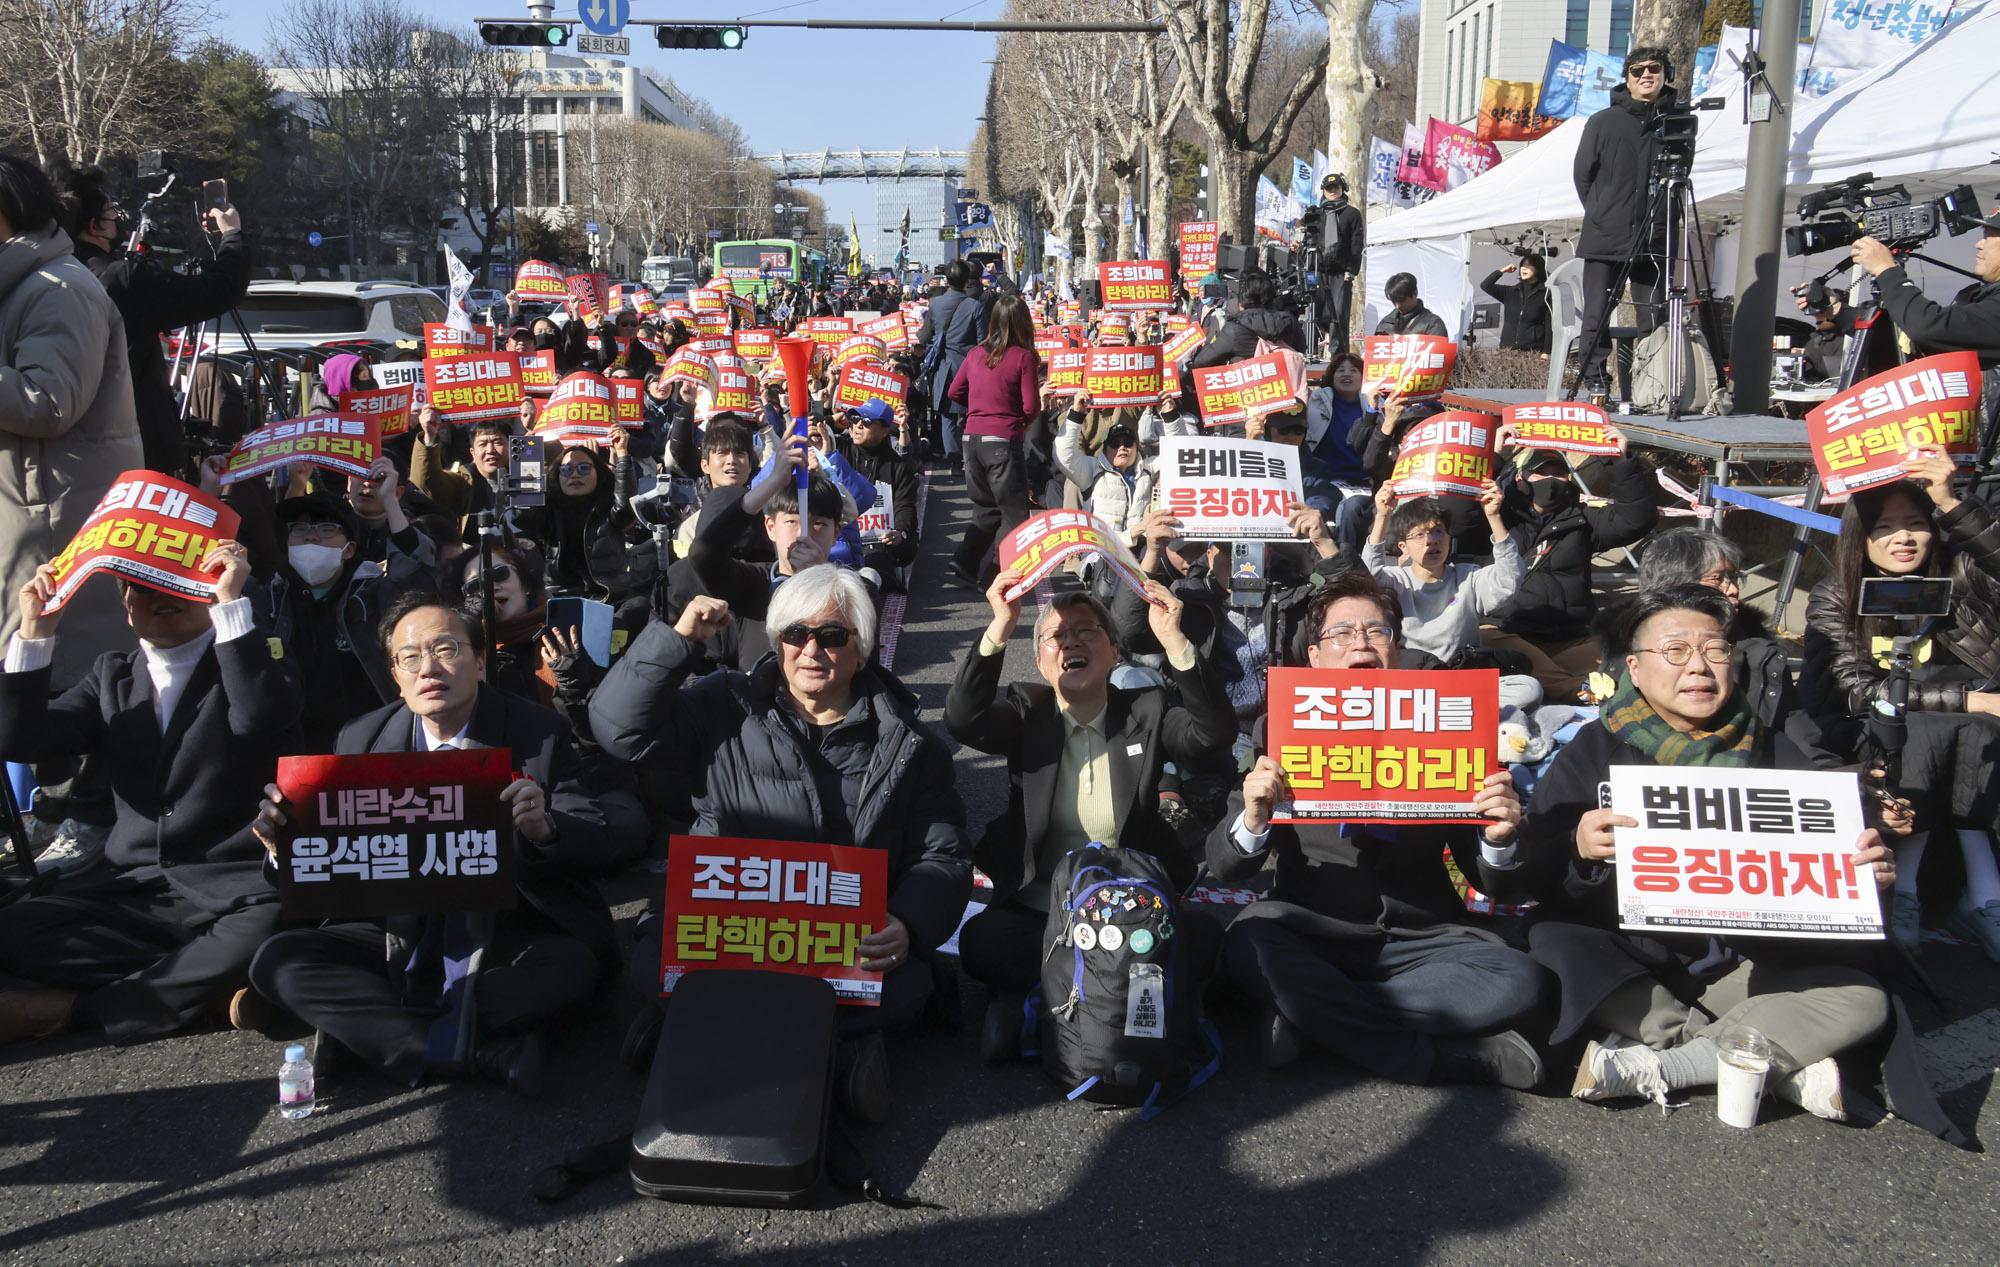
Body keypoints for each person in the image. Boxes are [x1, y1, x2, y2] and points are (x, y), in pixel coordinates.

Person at [1507, 586, 1905, 1126]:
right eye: (1675, 651)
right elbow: (1534, 872)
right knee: (1551, 942)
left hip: (1738, 961)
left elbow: (1820, 883)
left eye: (1715, 650)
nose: (1698, 666)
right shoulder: (1597, 747)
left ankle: (1668, 1065)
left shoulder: (1774, 751)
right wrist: (1577, 850)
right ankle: (1773, 1067)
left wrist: (1862, 880)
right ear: (1637, 669)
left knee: (1860, 999)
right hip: (1632, 960)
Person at [590, 566, 971, 1119]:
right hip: (730, 927)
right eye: (796, 634)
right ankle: (837, 1052)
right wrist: (677, 641)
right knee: (652, 959)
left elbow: (942, 856)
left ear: (862, 649)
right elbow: (617, 728)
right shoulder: (722, 704)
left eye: (833, 636)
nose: (811, 649)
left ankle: (689, 1029)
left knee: (905, 982)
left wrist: (907, 923)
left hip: (837, 942)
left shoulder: (913, 747)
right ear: (777, 642)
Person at [247, 595, 619, 1097]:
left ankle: (369, 1034)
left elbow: (595, 835)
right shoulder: (360, 739)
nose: (428, 668)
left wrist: (544, 828)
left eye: (446, 649)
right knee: (278, 960)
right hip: (398, 929)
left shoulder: (539, 731)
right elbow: (331, 870)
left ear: (481, 661)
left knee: (570, 971)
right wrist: (281, 847)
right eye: (409, 657)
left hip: (507, 924)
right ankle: (472, 1054)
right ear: (395, 675)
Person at [1213, 572, 1548, 1087]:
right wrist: (1254, 818)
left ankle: (1312, 1018)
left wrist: (1497, 839)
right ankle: (1436, 1060)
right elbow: (1224, 864)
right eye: (1342, 634)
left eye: (1377, 631)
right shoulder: (1276, 727)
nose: (1361, 643)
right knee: (1248, 945)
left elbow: (1488, 883)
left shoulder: (1451, 725)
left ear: (1395, 648)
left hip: (1423, 940)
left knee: (1520, 980)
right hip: (1312, 930)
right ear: (1316, 659)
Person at [0, 542, 302, 1046]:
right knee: (13, 931)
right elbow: (20, 739)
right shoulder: (110, 676)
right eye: (143, 585)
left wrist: (229, 604)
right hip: (141, 891)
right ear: (125, 603)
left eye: (177, 579)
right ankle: (206, 992)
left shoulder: (257, 652)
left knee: (275, 931)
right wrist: (35, 632)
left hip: (238, 887)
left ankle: (82, 1009)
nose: (162, 594)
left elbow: (258, 716)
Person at [946, 573, 1236, 1061]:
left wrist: (1174, 640)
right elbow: (962, 719)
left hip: (1131, 915)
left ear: (1115, 651)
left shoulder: (1145, 708)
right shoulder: (1027, 711)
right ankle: (1111, 997)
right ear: (1041, 660)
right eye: (1056, 636)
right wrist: (1000, 625)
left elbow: (1215, 731)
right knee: (983, 942)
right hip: (1044, 917)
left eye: (1086, 631)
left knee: (1206, 937)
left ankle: (1042, 1001)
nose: (1070, 642)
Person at [1800, 452, 2000, 957]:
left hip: (1969, 729)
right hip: (1870, 729)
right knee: (1929, 726)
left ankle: (1983, 896)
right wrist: (1972, 702)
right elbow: (1860, 690)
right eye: (1884, 527)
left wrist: (1951, 502)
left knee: (1964, 727)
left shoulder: (1961, 572)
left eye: (1916, 524)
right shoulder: (1833, 595)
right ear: (1860, 538)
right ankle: (1909, 892)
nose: (1903, 538)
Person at [0, 154, 145, 696]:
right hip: (21, 529)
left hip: (52, 530)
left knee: (57, 713)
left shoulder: (58, 289)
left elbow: (48, 402)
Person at [48, 162, 253, 475]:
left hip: (64, 453)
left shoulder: (43, 277)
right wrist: (232, 234)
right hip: (135, 450)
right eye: (112, 211)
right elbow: (219, 290)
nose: (118, 218)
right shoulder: (124, 279)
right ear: (95, 225)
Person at [1481, 436, 1659, 700]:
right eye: (1541, 473)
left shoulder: (1583, 519)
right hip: (1508, 630)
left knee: (1633, 645)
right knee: (1487, 640)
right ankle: (1585, 692)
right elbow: (1461, 512)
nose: (1551, 480)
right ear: (1521, 478)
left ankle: (1550, 684)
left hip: (1573, 636)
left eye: (1559, 474)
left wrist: (1619, 461)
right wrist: (1494, 454)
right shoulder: (1494, 514)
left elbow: (1636, 519)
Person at [262, 487, 434, 751]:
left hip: (366, 745)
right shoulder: (269, 600)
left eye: (326, 529)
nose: (311, 536)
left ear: (349, 549)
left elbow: (414, 577)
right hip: (288, 748)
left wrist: (388, 499)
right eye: (299, 528)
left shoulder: (370, 597)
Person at [1573, 47, 1676, 400]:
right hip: (1606, 235)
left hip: (1654, 236)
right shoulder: (1602, 121)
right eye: (1637, 70)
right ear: (1627, 77)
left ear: (1666, 73)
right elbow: (1582, 176)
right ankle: (1596, 381)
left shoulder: (1676, 121)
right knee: (1597, 315)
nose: (1646, 75)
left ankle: (1650, 385)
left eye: (1654, 68)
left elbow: (1682, 174)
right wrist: (1603, 212)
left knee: (1654, 315)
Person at [1849, 207, 2000, 421]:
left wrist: (1888, 272)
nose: (1978, 244)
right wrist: (1836, 312)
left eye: (1987, 236)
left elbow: (1929, 328)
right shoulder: (1981, 295)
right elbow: (1915, 335)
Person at [945, 293, 1042, 588]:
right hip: (1002, 439)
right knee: (1015, 515)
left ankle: (965, 560)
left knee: (985, 508)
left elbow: (954, 392)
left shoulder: (975, 353)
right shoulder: (1024, 356)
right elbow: (1031, 407)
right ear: (1024, 322)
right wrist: (1015, 421)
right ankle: (996, 576)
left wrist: (978, 407)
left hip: (972, 438)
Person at [1363, 484, 1522, 663]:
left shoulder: (1468, 577)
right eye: (1419, 535)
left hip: (1461, 671)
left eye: (1438, 531)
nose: (1431, 541)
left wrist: (1494, 517)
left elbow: (1508, 581)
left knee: (1528, 688)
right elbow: (1367, 579)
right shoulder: (1396, 580)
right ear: (1403, 547)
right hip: (1412, 675)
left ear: (1449, 539)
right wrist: (1382, 517)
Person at [915, 258, 987, 475]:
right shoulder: (975, 306)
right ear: (967, 281)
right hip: (970, 368)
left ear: (947, 280)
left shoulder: (935, 304)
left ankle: (954, 461)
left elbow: (925, 335)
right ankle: (970, 459)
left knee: (947, 416)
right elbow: (983, 341)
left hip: (943, 367)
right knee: (970, 416)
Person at [1186, 269, 1309, 394]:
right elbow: (1301, 349)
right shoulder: (1289, 321)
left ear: (1241, 303)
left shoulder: (1233, 328)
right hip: (1285, 393)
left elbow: (1202, 361)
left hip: (1246, 398)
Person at [837, 398, 919, 583]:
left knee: (902, 547)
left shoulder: (898, 466)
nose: (858, 425)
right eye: (855, 419)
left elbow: (905, 505)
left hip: (882, 543)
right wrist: (828, 419)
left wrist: (899, 532)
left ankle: (877, 577)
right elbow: (810, 432)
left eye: (866, 422)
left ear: (884, 430)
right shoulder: (840, 451)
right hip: (843, 537)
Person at [1315, 174, 1365, 357]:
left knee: (1339, 313)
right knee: (1315, 311)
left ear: (1342, 189)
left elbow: (1356, 245)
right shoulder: (1315, 213)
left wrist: (1351, 271)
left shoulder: (1351, 214)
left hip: (1341, 272)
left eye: (1335, 187)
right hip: (1317, 270)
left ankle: (1338, 354)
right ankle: (1311, 351)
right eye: (1328, 189)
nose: (1332, 191)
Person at [1480, 255, 1553, 355]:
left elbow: (1550, 326)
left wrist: (1547, 352)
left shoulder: (1545, 295)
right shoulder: (1510, 292)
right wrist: (1502, 271)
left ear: (1538, 268)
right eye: (1522, 265)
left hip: (1532, 351)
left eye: (1529, 265)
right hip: (1507, 350)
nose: (1524, 268)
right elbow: (1485, 285)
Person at [1373, 273, 1449, 338]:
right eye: (1394, 301)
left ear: (1415, 293)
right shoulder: (1385, 324)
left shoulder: (1433, 324)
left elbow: (1438, 353)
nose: (1397, 306)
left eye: (1401, 301)